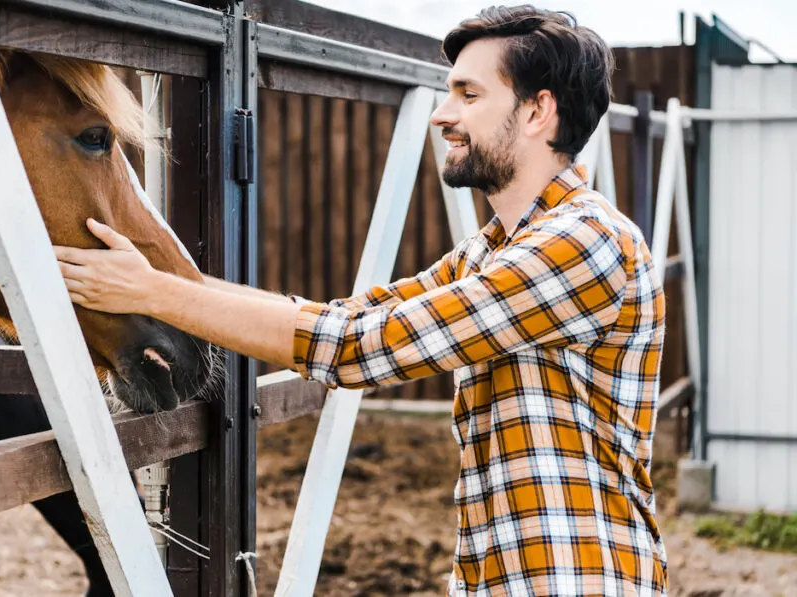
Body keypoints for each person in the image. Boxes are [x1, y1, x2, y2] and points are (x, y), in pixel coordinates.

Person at [54, 5, 668, 596]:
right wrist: (157, 281)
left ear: (538, 113)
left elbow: (358, 349)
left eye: (469, 95)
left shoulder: (584, 243)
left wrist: (152, 292)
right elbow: (355, 316)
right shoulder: (494, 252)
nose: (442, 115)